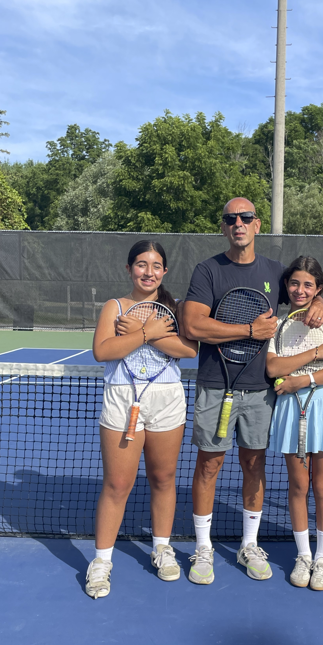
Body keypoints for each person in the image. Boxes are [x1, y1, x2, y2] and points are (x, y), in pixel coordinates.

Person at [182, 198, 323, 585]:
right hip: (216, 386)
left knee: (254, 466)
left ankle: (249, 544)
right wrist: (249, 331)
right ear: (225, 226)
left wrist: (320, 301)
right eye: (230, 218)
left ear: (257, 225)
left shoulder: (275, 272)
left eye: (246, 217)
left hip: (261, 391)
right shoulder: (208, 270)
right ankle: (203, 548)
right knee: (209, 465)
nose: (238, 223)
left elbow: (304, 289)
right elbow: (194, 326)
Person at [85, 240, 198, 599]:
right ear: (129, 268)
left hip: (167, 401)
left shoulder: (175, 307)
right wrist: (149, 332)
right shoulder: (114, 307)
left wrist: (140, 331)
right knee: (118, 485)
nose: (148, 272)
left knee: (163, 478)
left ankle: (162, 548)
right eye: (141, 264)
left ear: (164, 271)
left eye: (156, 266)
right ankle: (102, 561)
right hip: (123, 400)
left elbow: (188, 350)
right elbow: (103, 351)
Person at [266, 256, 323, 591]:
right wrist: (317, 355)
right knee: (298, 486)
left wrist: (303, 379)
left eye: (308, 285)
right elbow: (273, 369)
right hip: (290, 409)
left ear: (319, 289)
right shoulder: (276, 326)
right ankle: (304, 555)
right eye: (295, 283)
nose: (300, 290)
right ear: (286, 287)